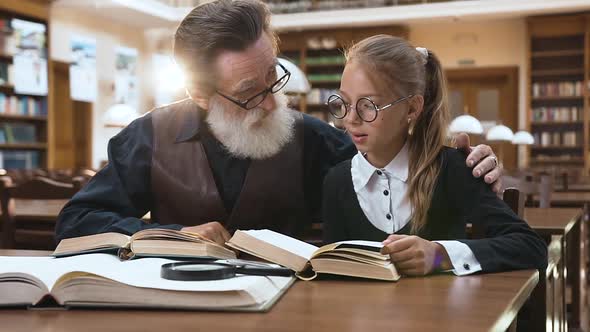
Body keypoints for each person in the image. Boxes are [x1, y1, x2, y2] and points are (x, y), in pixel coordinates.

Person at [55, 0, 502, 246]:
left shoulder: (310, 136)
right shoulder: (148, 137)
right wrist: (167, 233)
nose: (273, 103)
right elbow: (77, 220)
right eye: (251, 91)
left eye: (275, 75)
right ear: (199, 95)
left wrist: (464, 163)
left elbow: (397, 169)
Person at [321, 35, 547, 276]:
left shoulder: (451, 168)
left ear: (411, 108)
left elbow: (531, 247)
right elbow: (335, 272)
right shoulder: (337, 181)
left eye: (368, 105)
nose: (351, 119)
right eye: (344, 102)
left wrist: (440, 255)